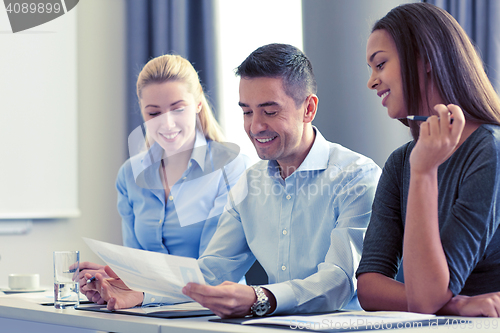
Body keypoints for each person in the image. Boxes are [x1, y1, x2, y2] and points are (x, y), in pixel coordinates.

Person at [85, 43, 381, 317]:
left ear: (309, 109)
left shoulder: (356, 177)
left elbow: (341, 279)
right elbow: (210, 273)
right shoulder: (250, 185)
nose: (255, 126)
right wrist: (136, 292)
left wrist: (261, 297)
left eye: (269, 111)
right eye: (247, 112)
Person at [356, 2, 500, 317]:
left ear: (425, 60)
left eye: (380, 65)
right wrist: (455, 303)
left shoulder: (489, 151)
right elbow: (368, 286)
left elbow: (424, 301)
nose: (371, 81)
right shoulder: (400, 162)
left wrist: (423, 172)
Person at [77, 54, 250, 304]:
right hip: (150, 314)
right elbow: (137, 267)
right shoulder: (130, 174)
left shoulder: (233, 167)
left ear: (198, 102)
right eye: (154, 112)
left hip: (213, 317)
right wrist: (112, 280)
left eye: (178, 109)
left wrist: (142, 294)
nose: (167, 123)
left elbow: (215, 274)